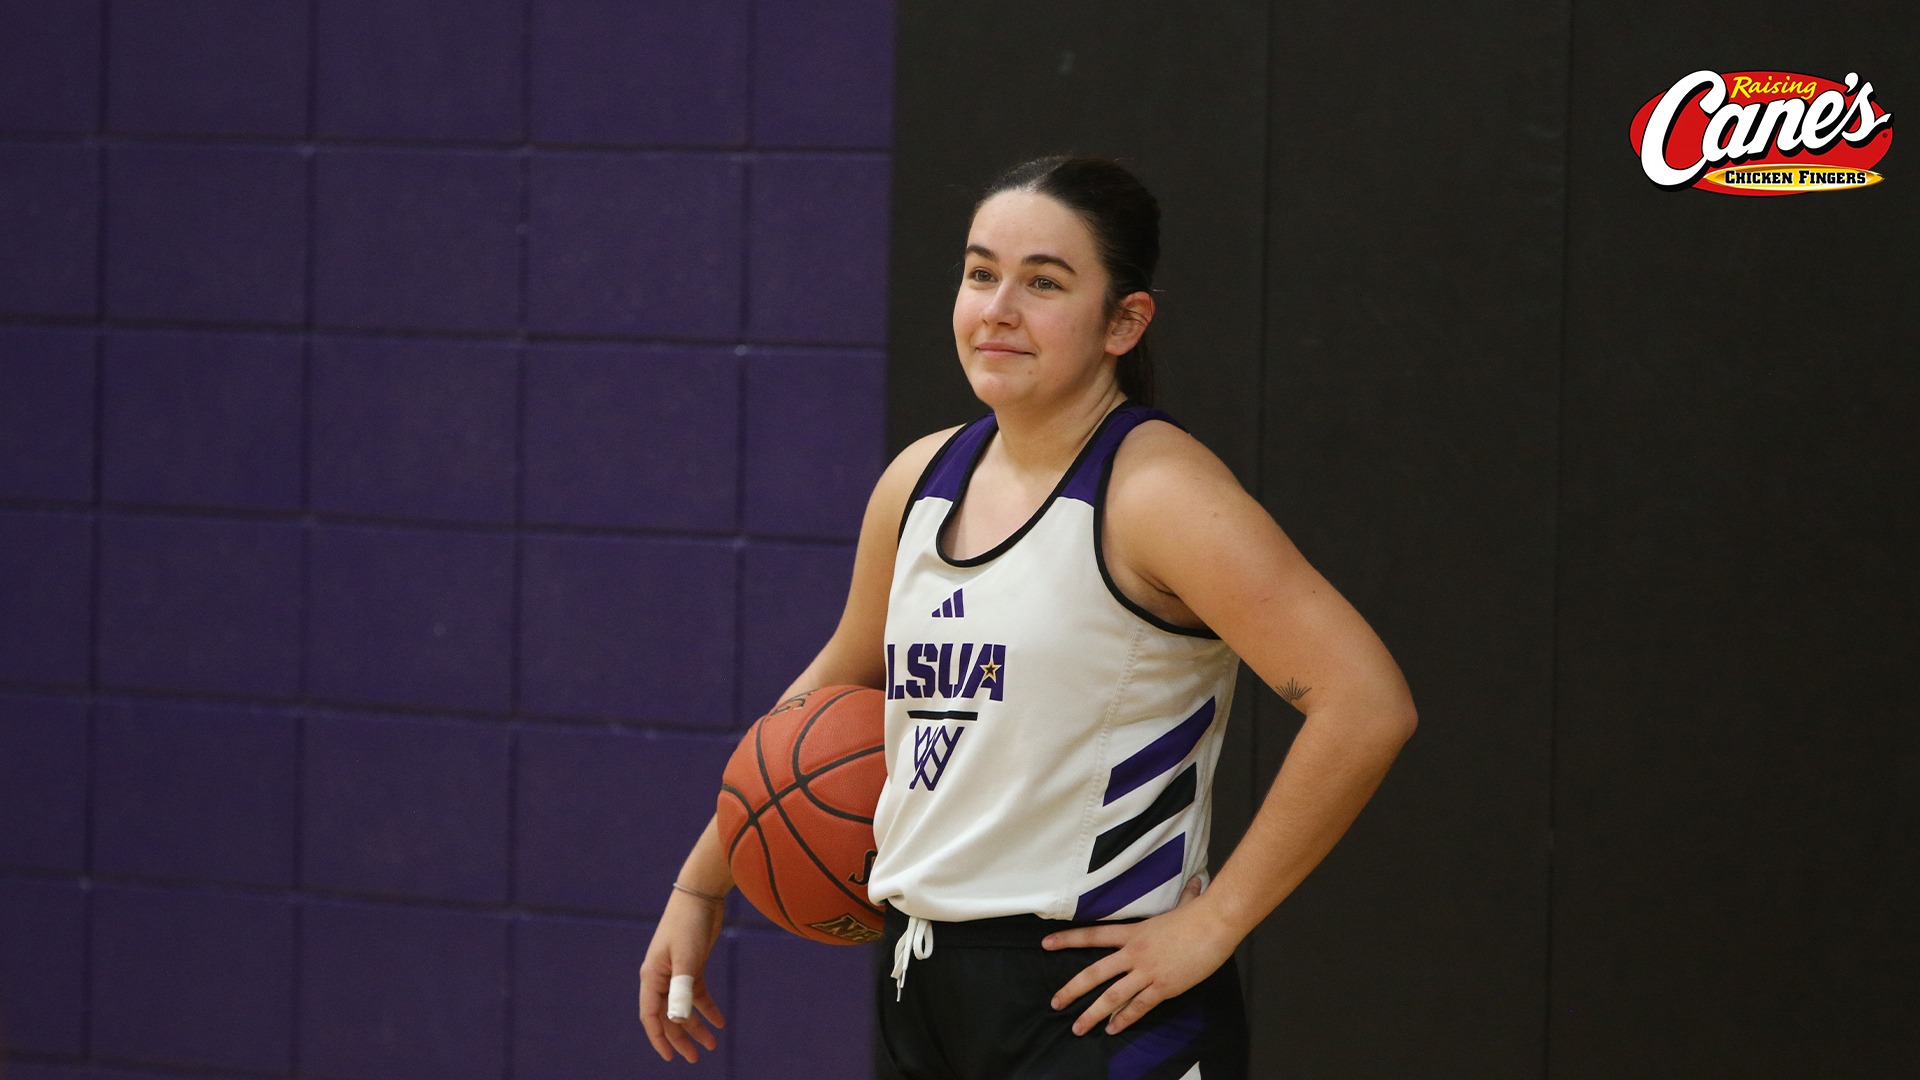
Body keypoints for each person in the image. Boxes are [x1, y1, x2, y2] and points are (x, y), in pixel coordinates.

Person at [639, 156, 1417, 1078]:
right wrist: (702, 883)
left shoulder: (1158, 495)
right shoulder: (918, 484)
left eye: (1043, 282)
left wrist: (1216, 923)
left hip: (1096, 1001)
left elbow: (1365, 704)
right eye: (980, 274)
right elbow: (837, 685)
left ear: (1123, 321)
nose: (998, 308)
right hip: (920, 984)